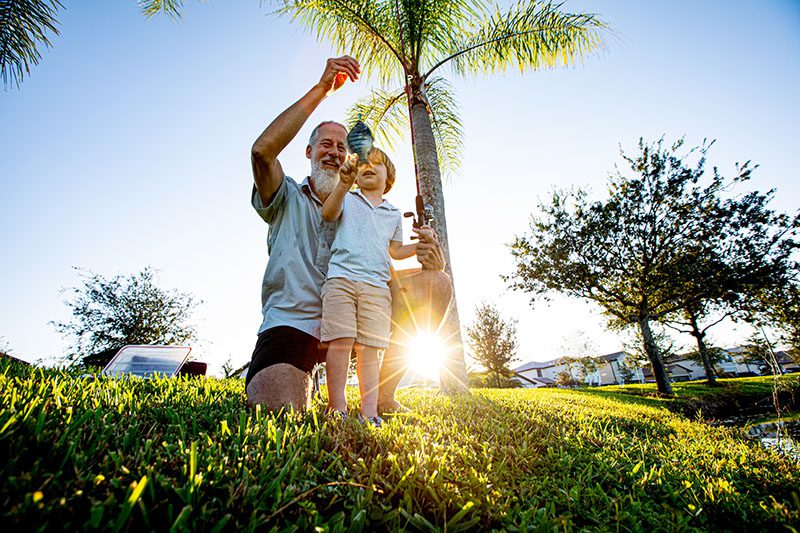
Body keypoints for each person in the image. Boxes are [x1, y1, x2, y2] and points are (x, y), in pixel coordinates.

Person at [246, 56, 452, 412]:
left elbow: (385, 266)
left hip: (358, 311)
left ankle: (383, 398)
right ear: (309, 152)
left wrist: (428, 257)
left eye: (342, 147)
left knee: (435, 283)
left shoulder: (367, 208)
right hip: (295, 323)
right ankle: (298, 375)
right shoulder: (286, 196)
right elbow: (262, 152)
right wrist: (323, 89)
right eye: (325, 144)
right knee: (277, 408)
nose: (334, 152)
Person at [320, 147, 417, 426]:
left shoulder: (393, 213)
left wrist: (420, 244)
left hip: (377, 287)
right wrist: (343, 183)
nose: (368, 167)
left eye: (377, 164)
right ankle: (336, 407)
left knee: (370, 349)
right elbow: (328, 214)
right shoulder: (347, 199)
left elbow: (396, 251)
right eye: (363, 164)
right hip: (341, 280)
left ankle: (369, 412)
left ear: (389, 177)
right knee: (340, 342)